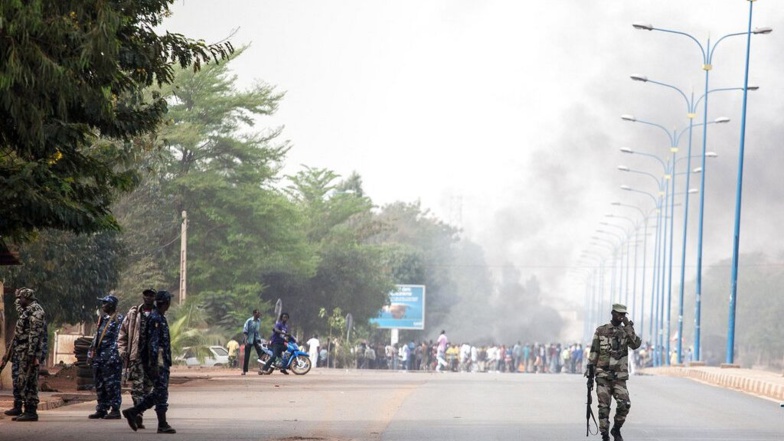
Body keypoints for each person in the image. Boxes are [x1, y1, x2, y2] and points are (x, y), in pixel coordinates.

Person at [585, 303, 641, 441]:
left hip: (619, 377)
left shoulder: (625, 332)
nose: (621, 317)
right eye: (619, 314)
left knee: (625, 404)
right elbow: (594, 353)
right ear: (613, 313)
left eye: (623, 315)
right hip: (603, 376)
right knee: (604, 407)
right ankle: (605, 435)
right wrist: (590, 376)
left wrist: (629, 327)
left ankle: (616, 429)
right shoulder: (601, 331)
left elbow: (636, 344)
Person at [122, 290, 176, 434]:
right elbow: (153, 344)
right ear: (165, 303)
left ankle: (134, 412)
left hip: (161, 362)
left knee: (159, 392)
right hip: (157, 363)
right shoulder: (156, 319)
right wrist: (154, 365)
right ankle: (161, 423)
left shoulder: (160, 317)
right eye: (169, 301)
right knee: (161, 392)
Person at [118, 288, 156, 430]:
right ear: (143, 296)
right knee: (137, 387)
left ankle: (138, 412)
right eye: (146, 295)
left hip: (151, 359)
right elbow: (123, 333)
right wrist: (122, 350)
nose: (148, 297)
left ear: (154, 297)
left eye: (151, 295)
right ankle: (137, 413)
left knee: (148, 388)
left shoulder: (158, 314)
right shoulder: (133, 314)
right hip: (137, 357)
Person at [9, 287, 47, 421]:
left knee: (30, 381)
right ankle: (26, 410)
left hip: (28, 353)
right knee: (22, 380)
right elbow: (19, 310)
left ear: (27, 299)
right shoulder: (27, 310)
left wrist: (32, 355)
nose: (19, 300)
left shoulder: (36, 312)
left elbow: (34, 335)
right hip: (23, 351)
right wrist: (15, 298)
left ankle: (31, 411)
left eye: (21, 298)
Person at [87, 295, 124, 419]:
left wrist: (113, 356)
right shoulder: (102, 319)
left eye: (105, 303)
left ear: (112, 305)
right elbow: (96, 337)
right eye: (102, 303)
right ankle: (102, 408)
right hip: (99, 357)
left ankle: (115, 409)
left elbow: (119, 339)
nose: (103, 306)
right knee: (100, 383)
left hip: (110, 358)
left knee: (112, 384)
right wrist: (90, 353)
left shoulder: (118, 319)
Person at [1, 296, 24, 417]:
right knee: (17, 382)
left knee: (22, 382)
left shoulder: (32, 316)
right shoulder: (23, 317)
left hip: (24, 357)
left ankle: (27, 408)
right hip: (16, 354)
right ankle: (17, 406)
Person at [241, 309, 263, 375]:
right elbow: (245, 331)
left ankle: (262, 369)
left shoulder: (259, 321)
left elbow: (257, 331)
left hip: (256, 339)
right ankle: (244, 371)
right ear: (254, 314)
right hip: (249, 339)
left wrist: (259, 339)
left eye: (259, 313)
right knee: (247, 355)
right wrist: (245, 341)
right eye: (258, 313)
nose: (259, 315)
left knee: (261, 354)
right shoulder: (249, 321)